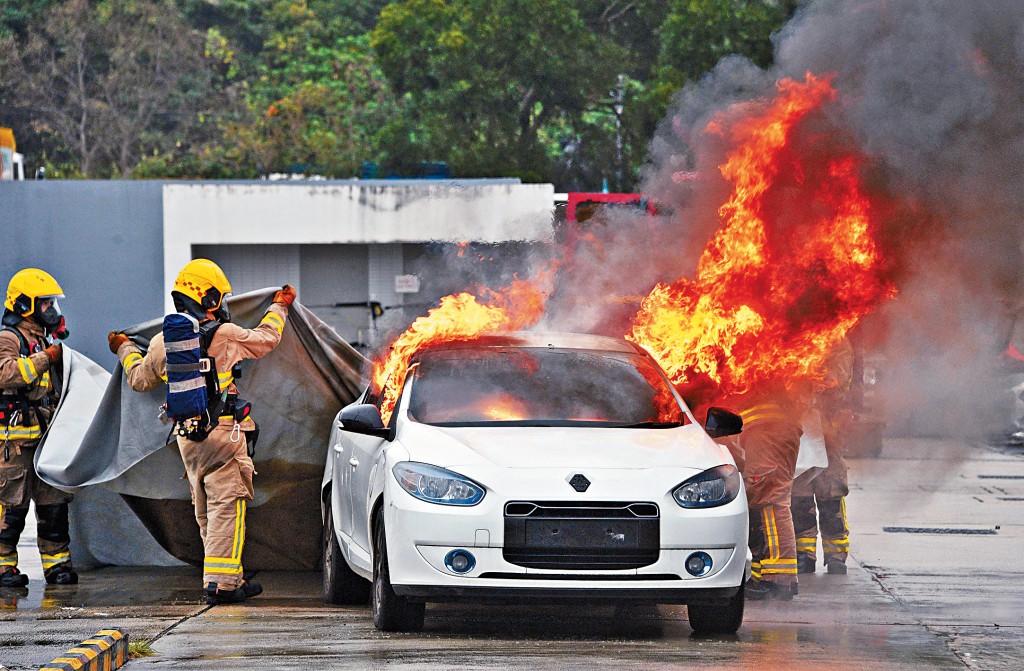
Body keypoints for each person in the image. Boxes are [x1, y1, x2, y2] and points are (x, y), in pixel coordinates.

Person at [109, 259, 295, 604]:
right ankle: (224, 586)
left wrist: (123, 347)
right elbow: (267, 339)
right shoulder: (223, 335)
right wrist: (279, 307)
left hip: (187, 438)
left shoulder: (162, 343)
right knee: (228, 507)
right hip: (223, 433)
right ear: (208, 299)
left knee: (206, 509)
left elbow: (139, 379)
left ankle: (221, 579)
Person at [0, 268, 76, 588]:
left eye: (51, 304)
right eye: (44, 304)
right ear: (24, 306)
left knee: (53, 507)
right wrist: (47, 356)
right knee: (10, 510)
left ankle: (58, 567)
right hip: (14, 445)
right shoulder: (8, 338)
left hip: (45, 442)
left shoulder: (43, 340)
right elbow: (7, 375)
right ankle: (3, 568)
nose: (50, 310)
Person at [725, 381, 804, 601]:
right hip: (766, 428)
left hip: (768, 428)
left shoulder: (756, 354)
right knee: (760, 501)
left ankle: (780, 580)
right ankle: (763, 576)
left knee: (770, 499)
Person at [793, 337, 855, 575]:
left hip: (829, 432)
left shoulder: (837, 342)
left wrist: (815, 378)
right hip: (802, 431)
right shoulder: (794, 339)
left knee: (831, 496)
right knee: (800, 499)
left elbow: (838, 379)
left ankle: (836, 555)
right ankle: (804, 554)